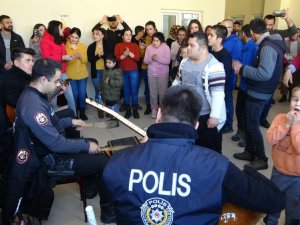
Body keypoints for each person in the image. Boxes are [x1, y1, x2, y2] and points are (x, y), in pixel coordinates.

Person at [103, 85, 285, 225]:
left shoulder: (117, 162)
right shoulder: (216, 166)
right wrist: (249, 173)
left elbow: (114, 204)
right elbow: (275, 201)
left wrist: (138, 152)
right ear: (196, 124)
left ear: (158, 115)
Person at [4, 58, 115, 224]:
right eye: (56, 81)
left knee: (92, 142)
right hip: (49, 158)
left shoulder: (34, 94)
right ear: (43, 79)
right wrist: (85, 146)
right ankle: (108, 213)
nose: (58, 85)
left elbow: (50, 122)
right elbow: (56, 144)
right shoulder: (33, 106)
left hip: (49, 147)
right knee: (104, 163)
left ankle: (91, 186)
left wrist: (70, 122)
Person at [232, 18, 286, 170]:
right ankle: (250, 151)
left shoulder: (267, 47)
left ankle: (262, 158)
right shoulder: (268, 43)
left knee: (253, 125)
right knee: (249, 123)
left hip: (260, 93)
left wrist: (242, 69)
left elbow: (264, 74)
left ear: (253, 33)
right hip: (257, 91)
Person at [173, 31, 226, 154]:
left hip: (205, 116)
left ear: (203, 48)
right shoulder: (184, 62)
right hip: (186, 115)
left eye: (192, 45)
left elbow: (218, 94)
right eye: (188, 45)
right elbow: (177, 83)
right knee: (189, 148)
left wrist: (214, 116)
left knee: (210, 151)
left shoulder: (214, 66)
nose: (188, 48)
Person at [264, 86, 300, 224]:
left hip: (297, 179)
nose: (298, 104)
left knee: (294, 209)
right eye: (295, 99)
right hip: (278, 172)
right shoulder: (280, 118)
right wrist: (286, 125)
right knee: (273, 203)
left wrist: (295, 126)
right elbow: (270, 139)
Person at [40, 20, 76, 115]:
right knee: (53, 99)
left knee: (70, 96)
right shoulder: (45, 41)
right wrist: (62, 57)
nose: (63, 29)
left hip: (63, 72)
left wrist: (68, 58)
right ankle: (54, 119)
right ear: (56, 29)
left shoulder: (60, 40)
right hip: (52, 74)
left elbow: (63, 56)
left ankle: (74, 117)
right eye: (61, 27)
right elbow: (46, 58)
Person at [231, 24, 258, 148]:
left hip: (250, 86)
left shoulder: (254, 47)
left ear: (243, 33)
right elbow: (239, 60)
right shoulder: (244, 46)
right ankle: (240, 130)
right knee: (239, 109)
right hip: (242, 84)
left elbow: (251, 67)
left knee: (247, 113)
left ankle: (246, 137)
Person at [207, 24, 233, 135]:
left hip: (219, 91)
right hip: (209, 90)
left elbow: (224, 78)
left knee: (219, 114)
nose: (208, 37)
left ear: (219, 39)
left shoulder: (225, 55)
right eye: (208, 34)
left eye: (211, 35)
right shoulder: (211, 53)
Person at [220, 19, 242, 134]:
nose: (222, 30)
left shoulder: (236, 42)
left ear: (231, 28)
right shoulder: (220, 39)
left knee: (227, 100)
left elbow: (236, 61)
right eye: (221, 26)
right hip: (217, 76)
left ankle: (229, 124)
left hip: (228, 77)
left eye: (225, 27)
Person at [144, 32, 171, 119]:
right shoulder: (148, 47)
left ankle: (162, 110)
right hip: (151, 73)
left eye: (157, 41)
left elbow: (168, 61)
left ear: (161, 41)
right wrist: (151, 59)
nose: (154, 42)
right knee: (153, 93)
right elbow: (145, 61)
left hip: (163, 74)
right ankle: (154, 109)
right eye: (153, 40)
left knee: (162, 93)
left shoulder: (166, 47)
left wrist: (157, 58)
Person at [114, 28, 140, 119]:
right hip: (123, 72)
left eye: (130, 34)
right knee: (126, 91)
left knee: (134, 91)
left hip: (133, 71)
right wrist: (125, 54)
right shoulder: (118, 45)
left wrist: (129, 53)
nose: (129, 36)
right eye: (126, 35)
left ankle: (135, 109)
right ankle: (128, 110)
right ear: (122, 36)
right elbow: (116, 58)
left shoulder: (134, 45)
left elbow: (137, 58)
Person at [66, 27, 89, 120]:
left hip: (83, 75)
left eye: (76, 37)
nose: (74, 39)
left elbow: (85, 61)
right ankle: (75, 113)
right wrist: (74, 56)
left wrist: (80, 57)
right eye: (72, 36)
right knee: (74, 94)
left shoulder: (82, 46)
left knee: (82, 94)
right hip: (71, 75)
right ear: (69, 36)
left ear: (79, 38)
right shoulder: (65, 46)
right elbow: (66, 62)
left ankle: (82, 112)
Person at [98, 54, 123, 127]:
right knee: (109, 107)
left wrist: (110, 81)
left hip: (113, 94)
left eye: (109, 63)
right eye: (106, 62)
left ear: (114, 63)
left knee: (113, 107)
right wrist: (100, 88)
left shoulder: (117, 71)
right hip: (106, 94)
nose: (107, 64)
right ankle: (112, 118)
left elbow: (120, 83)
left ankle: (116, 121)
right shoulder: (105, 71)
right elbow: (102, 81)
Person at [139, 21, 157, 115]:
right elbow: (141, 56)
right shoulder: (143, 39)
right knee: (148, 88)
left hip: (157, 67)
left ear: (154, 29)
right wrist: (141, 49)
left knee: (156, 88)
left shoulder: (159, 39)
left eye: (150, 29)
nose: (149, 31)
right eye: (147, 29)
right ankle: (148, 106)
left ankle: (156, 106)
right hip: (145, 67)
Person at [0, 15, 25, 85]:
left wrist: (13, 62)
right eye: (7, 22)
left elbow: (22, 52)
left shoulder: (17, 37)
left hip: (15, 69)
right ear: (1, 25)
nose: (10, 24)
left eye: (11, 22)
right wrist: (4, 64)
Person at [87, 25, 107, 109]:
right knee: (98, 90)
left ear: (102, 36)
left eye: (97, 34)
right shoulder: (91, 46)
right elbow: (91, 60)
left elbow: (111, 58)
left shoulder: (107, 45)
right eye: (94, 34)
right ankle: (100, 109)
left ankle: (106, 108)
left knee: (105, 90)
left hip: (106, 71)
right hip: (96, 72)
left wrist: (103, 54)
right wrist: (98, 55)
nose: (94, 35)